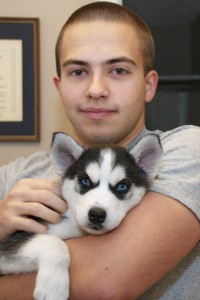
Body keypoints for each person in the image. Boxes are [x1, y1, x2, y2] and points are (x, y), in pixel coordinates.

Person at [0, 2, 200, 299]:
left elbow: (103, 283)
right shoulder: (13, 177)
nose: (96, 89)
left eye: (118, 70)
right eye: (78, 71)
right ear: (59, 86)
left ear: (148, 85)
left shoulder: (185, 151)